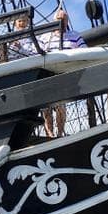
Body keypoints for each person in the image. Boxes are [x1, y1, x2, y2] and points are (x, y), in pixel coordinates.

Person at [41, 8, 85, 136]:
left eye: (64, 20)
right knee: (46, 106)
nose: (61, 22)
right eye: (59, 20)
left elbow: (84, 50)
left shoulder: (75, 36)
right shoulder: (45, 38)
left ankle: (60, 133)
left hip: (66, 75)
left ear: (67, 22)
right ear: (53, 21)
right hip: (48, 74)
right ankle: (49, 133)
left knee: (61, 105)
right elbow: (35, 53)